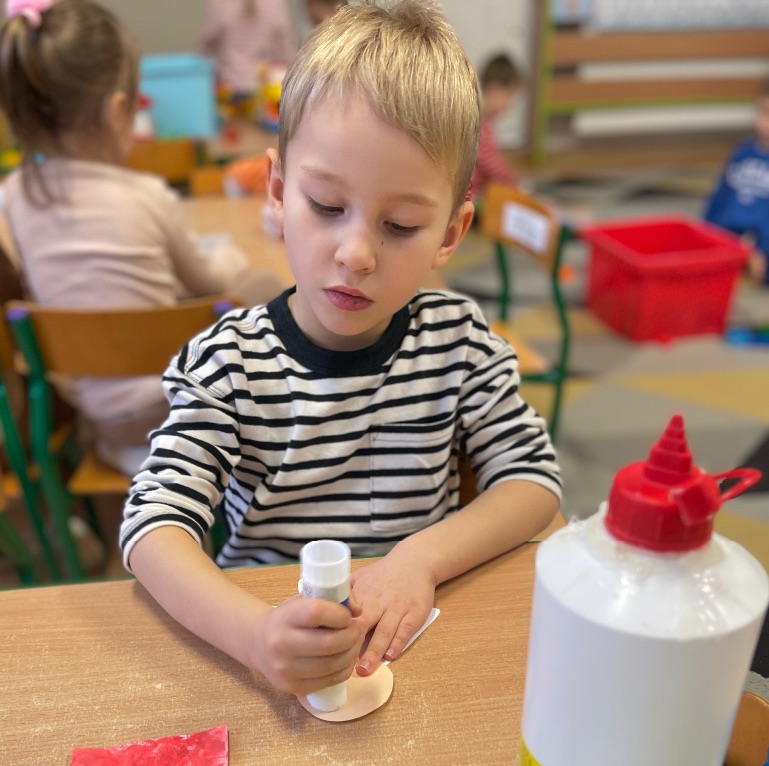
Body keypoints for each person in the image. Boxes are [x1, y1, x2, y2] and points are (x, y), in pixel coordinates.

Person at [120, 0, 561, 702]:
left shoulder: (459, 345)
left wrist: (420, 559)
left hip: (421, 647)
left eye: (400, 224)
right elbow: (153, 526)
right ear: (277, 191)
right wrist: (253, 635)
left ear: (450, 234)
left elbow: (532, 480)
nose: (356, 254)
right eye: (327, 207)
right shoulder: (229, 364)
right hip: (267, 660)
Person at [0, 0, 280, 476]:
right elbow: (211, 283)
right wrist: (233, 260)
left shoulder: (12, 197)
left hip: (99, 417)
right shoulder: (149, 195)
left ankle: (123, 456)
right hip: (180, 408)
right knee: (263, 286)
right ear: (118, 111)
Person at [704, 79, 769, 284]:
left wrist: (760, 250)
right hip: (730, 239)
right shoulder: (742, 153)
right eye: (765, 112)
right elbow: (719, 200)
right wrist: (706, 234)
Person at [199, 0, 297, 100]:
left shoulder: (220, 3)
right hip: (264, 90)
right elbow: (287, 49)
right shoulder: (275, 3)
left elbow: (205, 46)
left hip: (228, 88)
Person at [469, 53, 523, 202]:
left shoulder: (483, 119)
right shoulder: (477, 122)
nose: (508, 106)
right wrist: (515, 185)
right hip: (471, 197)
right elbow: (493, 165)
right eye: (508, 97)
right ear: (494, 89)